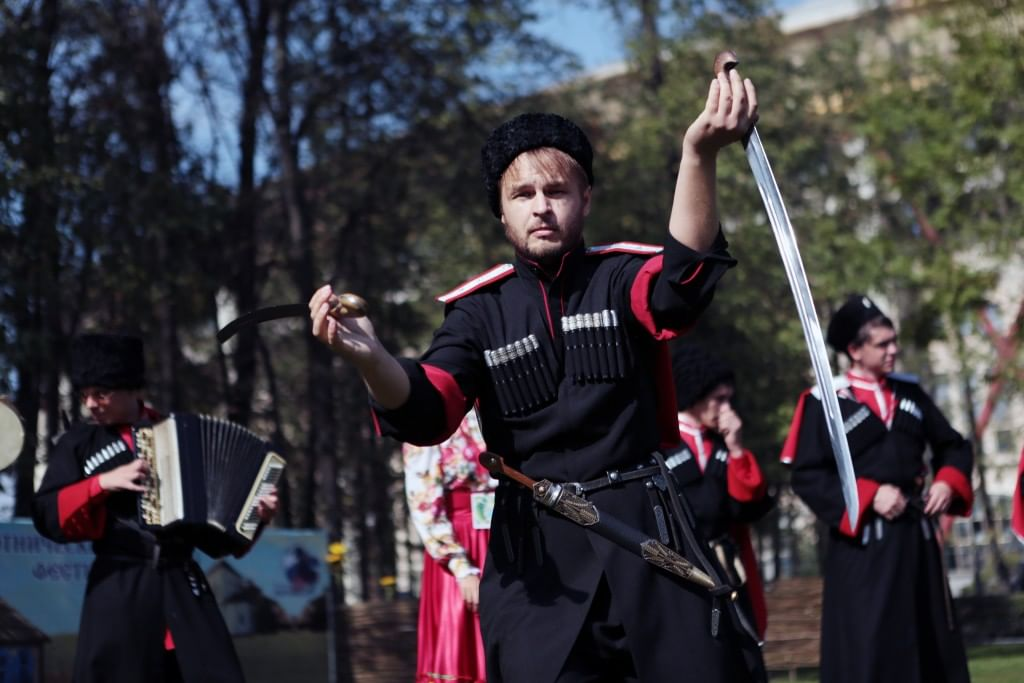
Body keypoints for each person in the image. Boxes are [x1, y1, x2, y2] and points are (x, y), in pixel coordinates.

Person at [310, 65, 759, 682]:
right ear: (501, 212)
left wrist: (697, 153)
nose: (541, 208)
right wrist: (371, 359)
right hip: (536, 561)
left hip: (647, 540)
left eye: (557, 191)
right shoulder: (477, 311)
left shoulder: (620, 276)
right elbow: (428, 408)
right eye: (522, 196)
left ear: (586, 199)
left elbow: (682, 281)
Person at [32, 333, 278, 683]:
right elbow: (47, 515)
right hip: (118, 590)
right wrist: (102, 483)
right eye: (85, 395)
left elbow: (221, 543)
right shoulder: (79, 444)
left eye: (100, 394)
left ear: (133, 389)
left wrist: (259, 518)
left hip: (182, 586)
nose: (91, 404)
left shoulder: (181, 435)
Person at [781, 294, 974, 683]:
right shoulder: (825, 402)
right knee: (871, 649)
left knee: (931, 646)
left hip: (917, 542)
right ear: (854, 350)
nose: (894, 350)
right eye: (882, 344)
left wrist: (946, 481)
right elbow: (807, 475)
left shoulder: (910, 393)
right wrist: (869, 494)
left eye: (894, 341)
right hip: (864, 549)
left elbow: (954, 445)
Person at [669, 343, 772, 658]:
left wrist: (737, 449)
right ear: (695, 395)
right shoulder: (666, 445)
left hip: (730, 568)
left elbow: (748, 505)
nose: (727, 409)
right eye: (719, 400)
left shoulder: (723, 446)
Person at [403, 410, 494, 683]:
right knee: (462, 652)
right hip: (461, 545)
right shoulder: (429, 421)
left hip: (505, 542)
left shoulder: (494, 410)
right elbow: (424, 501)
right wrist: (460, 566)